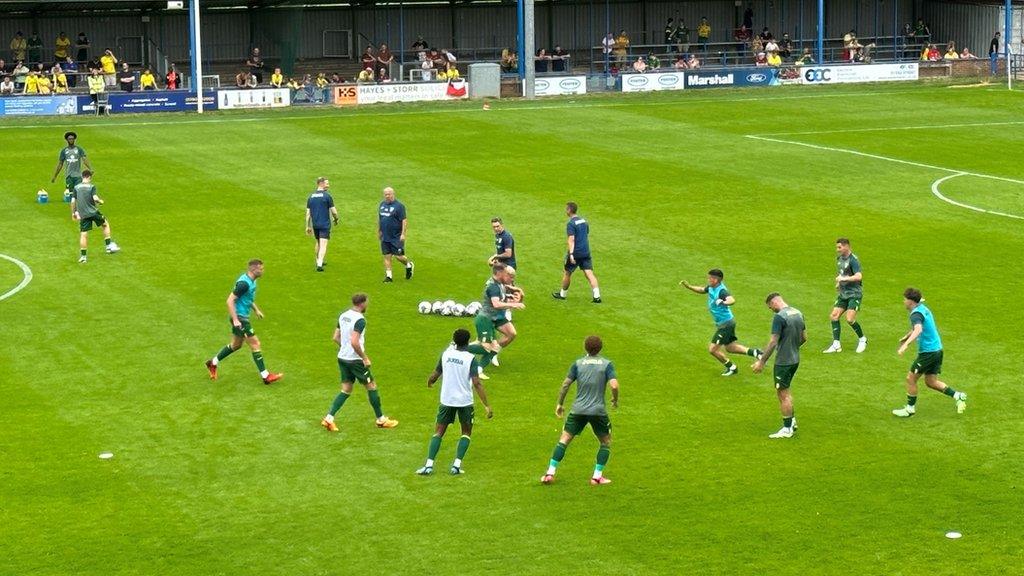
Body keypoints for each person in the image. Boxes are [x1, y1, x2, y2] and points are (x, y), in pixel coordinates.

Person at [540, 335, 619, 486]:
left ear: (585, 347)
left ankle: (550, 473)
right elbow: (614, 385)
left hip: (577, 410)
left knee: (564, 440)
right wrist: (615, 400)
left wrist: (560, 404)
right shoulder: (607, 364)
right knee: (605, 442)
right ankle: (596, 477)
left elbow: (565, 385)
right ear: (600, 348)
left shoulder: (578, 363)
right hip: (597, 411)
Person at [414, 328, 493, 476]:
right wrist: (486, 405)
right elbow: (477, 383)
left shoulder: (446, 355)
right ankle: (456, 465)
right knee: (466, 432)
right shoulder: (470, 359)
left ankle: (429, 465)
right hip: (464, 402)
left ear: (454, 341)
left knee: (438, 432)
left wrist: (430, 381)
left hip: (447, 400)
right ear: (468, 342)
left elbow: (435, 374)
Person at [320, 293, 399, 432]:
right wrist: (364, 357)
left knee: (346, 389)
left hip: (342, 358)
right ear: (362, 303)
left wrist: (344, 349)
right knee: (371, 386)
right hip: (355, 360)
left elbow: (335, 337)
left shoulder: (343, 315)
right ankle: (381, 420)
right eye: (367, 302)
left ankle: (329, 418)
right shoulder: (360, 320)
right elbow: (354, 341)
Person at [204, 259, 284, 385]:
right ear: (253, 270)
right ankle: (266, 376)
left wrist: (256, 310)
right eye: (261, 269)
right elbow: (229, 301)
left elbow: (247, 297)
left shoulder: (252, 281)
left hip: (242, 317)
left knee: (236, 345)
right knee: (255, 344)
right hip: (240, 319)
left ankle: (212, 363)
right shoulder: (243, 284)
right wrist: (236, 320)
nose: (263, 271)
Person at [892, 288, 967, 417]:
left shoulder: (915, 314)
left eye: (905, 299)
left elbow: (919, 329)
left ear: (910, 301)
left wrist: (906, 345)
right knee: (931, 382)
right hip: (937, 350)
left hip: (928, 353)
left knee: (910, 378)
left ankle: (910, 409)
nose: (903, 302)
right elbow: (920, 327)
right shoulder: (923, 309)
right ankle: (958, 396)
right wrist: (906, 336)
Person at [680, 269, 763, 376]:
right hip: (725, 322)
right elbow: (702, 289)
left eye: (710, 278)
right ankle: (756, 352)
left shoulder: (721, 291)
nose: (708, 279)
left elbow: (731, 300)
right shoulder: (711, 287)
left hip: (726, 324)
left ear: (716, 280)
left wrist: (723, 302)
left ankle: (732, 368)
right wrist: (689, 287)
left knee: (713, 349)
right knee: (730, 348)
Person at [751, 292, 806, 439]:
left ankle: (787, 429)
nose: (772, 310)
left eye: (770, 307)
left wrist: (761, 361)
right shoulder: (798, 313)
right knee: (786, 391)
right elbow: (804, 338)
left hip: (784, 361)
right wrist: (792, 347)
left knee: (783, 394)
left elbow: (773, 342)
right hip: (795, 359)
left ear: (774, 302)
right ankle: (792, 421)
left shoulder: (780, 317)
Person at [467, 264, 525, 379]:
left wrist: (516, 293)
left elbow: (503, 297)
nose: (507, 275)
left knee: (511, 334)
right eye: (505, 273)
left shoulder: (499, 284)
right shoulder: (493, 286)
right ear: (499, 274)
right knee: (487, 348)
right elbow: (496, 304)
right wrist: (514, 304)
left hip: (495, 318)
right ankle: (458, 348)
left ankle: (480, 367)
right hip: (486, 319)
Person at [824, 238, 867, 354]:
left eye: (839, 247)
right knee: (834, 316)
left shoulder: (853, 260)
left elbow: (859, 276)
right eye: (837, 247)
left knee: (850, 319)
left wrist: (844, 279)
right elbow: (842, 273)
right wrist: (839, 283)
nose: (837, 250)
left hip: (854, 294)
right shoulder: (839, 259)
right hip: (843, 294)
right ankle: (836, 344)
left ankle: (863, 339)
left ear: (846, 246)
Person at [552, 202, 601, 303]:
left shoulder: (571, 223)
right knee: (589, 273)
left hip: (576, 252)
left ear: (569, 210)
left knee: (567, 273)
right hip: (585, 251)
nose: (566, 211)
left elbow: (571, 239)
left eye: (566, 209)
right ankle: (597, 296)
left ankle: (562, 294)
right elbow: (586, 233)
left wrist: (571, 254)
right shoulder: (584, 221)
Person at [70, 170, 120, 263]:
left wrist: (74, 213)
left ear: (82, 176)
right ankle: (108, 246)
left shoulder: (76, 188)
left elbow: (73, 201)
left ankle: (83, 257)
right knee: (105, 224)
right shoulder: (91, 187)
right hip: (93, 212)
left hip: (83, 215)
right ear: (89, 177)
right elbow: (95, 198)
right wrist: (100, 201)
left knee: (83, 234)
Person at [378, 186, 414, 282]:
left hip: (396, 236)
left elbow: (404, 221)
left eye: (389, 194)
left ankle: (408, 264)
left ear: (393, 194)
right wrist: (379, 231)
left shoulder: (399, 206)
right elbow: (380, 219)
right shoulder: (382, 205)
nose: (387, 196)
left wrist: (403, 234)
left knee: (399, 256)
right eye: (385, 194)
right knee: (387, 256)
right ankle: (389, 276)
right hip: (385, 236)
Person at [305, 177, 338, 272]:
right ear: (321, 184)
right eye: (327, 183)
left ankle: (317, 260)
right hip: (324, 224)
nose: (328, 185)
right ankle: (319, 264)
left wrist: (307, 226)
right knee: (323, 244)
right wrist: (336, 219)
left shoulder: (311, 197)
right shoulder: (327, 196)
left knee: (318, 242)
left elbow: (308, 214)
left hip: (315, 224)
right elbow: (334, 211)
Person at [52, 131, 93, 199]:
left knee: (78, 192)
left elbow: (84, 159)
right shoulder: (64, 151)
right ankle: (73, 208)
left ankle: (79, 207)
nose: (71, 140)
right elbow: (60, 164)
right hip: (69, 176)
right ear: (67, 140)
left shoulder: (79, 149)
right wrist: (55, 176)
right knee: (71, 194)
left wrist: (90, 168)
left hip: (78, 176)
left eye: (72, 138)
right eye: (69, 139)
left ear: (74, 139)